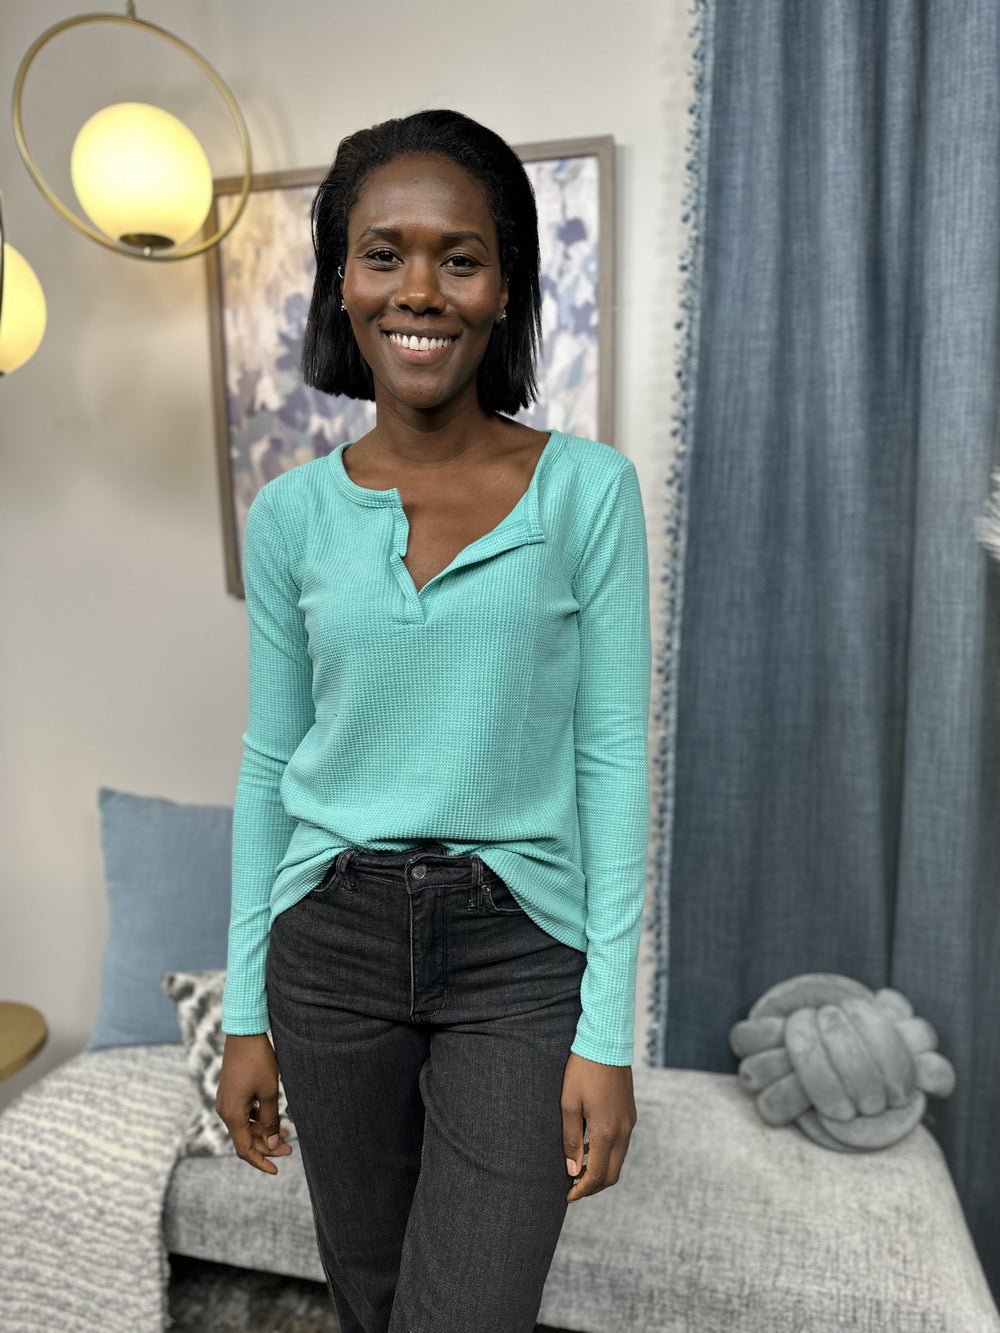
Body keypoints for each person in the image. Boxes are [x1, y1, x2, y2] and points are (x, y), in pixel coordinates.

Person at [215, 107, 651, 1333]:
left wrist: (607, 1033)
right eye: (383, 254)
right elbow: (269, 762)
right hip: (329, 943)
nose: (419, 290)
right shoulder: (291, 516)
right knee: (373, 1302)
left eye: (458, 258)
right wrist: (244, 1014)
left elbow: (613, 760)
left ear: (503, 288)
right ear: (339, 283)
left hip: (517, 951)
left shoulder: (587, 493)